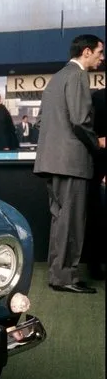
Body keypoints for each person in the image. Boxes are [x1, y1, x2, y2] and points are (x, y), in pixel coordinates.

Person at [33, 34, 105, 294]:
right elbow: (79, 120)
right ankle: (65, 278)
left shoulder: (56, 78)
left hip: (51, 162)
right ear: (86, 52)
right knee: (71, 222)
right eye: (99, 52)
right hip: (71, 163)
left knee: (60, 221)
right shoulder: (77, 76)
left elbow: (40, 123)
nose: (101, 57)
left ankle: (59, 275)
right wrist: (97, 143)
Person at [83, 87, 106, 280]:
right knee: (96, 217)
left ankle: (94, 266)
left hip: (96, 166)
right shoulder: (97, 97)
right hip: (98, 166)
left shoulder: (96, 97)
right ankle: (95, 266)